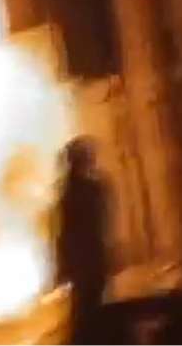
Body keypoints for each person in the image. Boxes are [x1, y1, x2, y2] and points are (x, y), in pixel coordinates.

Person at [56, 136, 109, 344]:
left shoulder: (70, 192)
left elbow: (64, 233)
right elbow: (70, 231)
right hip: (91, 259)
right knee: (89, 308)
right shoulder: (91, 189)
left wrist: (63, 266)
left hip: (85, 261)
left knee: (86, 308)